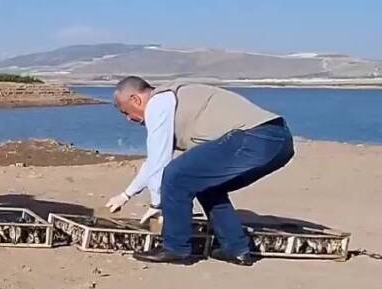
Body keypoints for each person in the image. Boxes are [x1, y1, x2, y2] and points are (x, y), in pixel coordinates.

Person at [106, 76, 295, 266]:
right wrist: (126, 195)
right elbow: (153, 161)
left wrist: (158, 204)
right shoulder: (170, 101)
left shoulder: (158, 102)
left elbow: (159, 161)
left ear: (135, 100)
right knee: (204, 183)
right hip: (279, 142)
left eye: (125, 112)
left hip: (255, 137)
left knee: (176, 175)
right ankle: (235, 248)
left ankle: (175, 247)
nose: (129, 119)